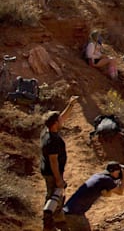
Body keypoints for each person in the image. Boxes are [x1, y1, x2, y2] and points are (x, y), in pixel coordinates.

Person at [41, 95, 80, 230]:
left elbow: (62, 117)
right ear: (55, 124)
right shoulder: (52, 141)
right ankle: (49, 221)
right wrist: (58, 179)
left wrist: (70, 105)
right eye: (59, 120)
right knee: (54, 194)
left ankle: (58, 219)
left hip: (48, 170)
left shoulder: (47, 130)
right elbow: (53, 162)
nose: (62, 120)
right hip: (52, 172)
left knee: (56, 194)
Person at [62, 161, 124, 230]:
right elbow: (120, 192)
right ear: (114, 171)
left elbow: (107, 194)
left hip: (69, 211)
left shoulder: (98, 176)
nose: (120, 174)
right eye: (119, 172)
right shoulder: (107, 179)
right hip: (75, 213)